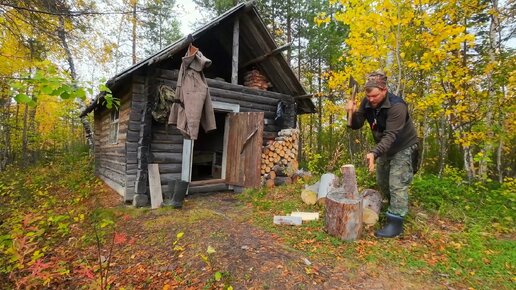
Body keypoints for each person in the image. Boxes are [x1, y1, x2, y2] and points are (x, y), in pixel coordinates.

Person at [346, 72, 418, 238]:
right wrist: (351, 113)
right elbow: (356, 125)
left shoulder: (397, 106)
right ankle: (391, 206)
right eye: (368, 95)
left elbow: (391, 135)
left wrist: (374, 153)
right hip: (384, 147)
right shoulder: (367, 102)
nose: (371, 99)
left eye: (374, 96)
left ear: (384, 90)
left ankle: (395, 223)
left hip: (402, 146)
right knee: (382, 180)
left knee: (397, 183)